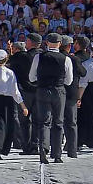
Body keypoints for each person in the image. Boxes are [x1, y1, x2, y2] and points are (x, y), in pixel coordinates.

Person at [28, 32, 75, 163]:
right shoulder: (66, 59)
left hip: (42, 89)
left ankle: (43, 147)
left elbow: (31, 77)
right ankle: (57, 153)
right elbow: (69, 81)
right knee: (58, 122)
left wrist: (41, 79)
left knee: (44, 122)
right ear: (60, 44)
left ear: (47, 43)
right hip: (58, 90)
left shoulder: (39, 57)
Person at [9, 32, 39, 155]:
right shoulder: (43, 55)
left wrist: (10, 50)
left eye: (27, 40)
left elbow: (10, 60)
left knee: (25, 120)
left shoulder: (23, 56)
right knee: (38, 120)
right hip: (40, 90)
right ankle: (36, 145)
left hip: (26, 91)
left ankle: (26, 146)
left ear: (31, 42)